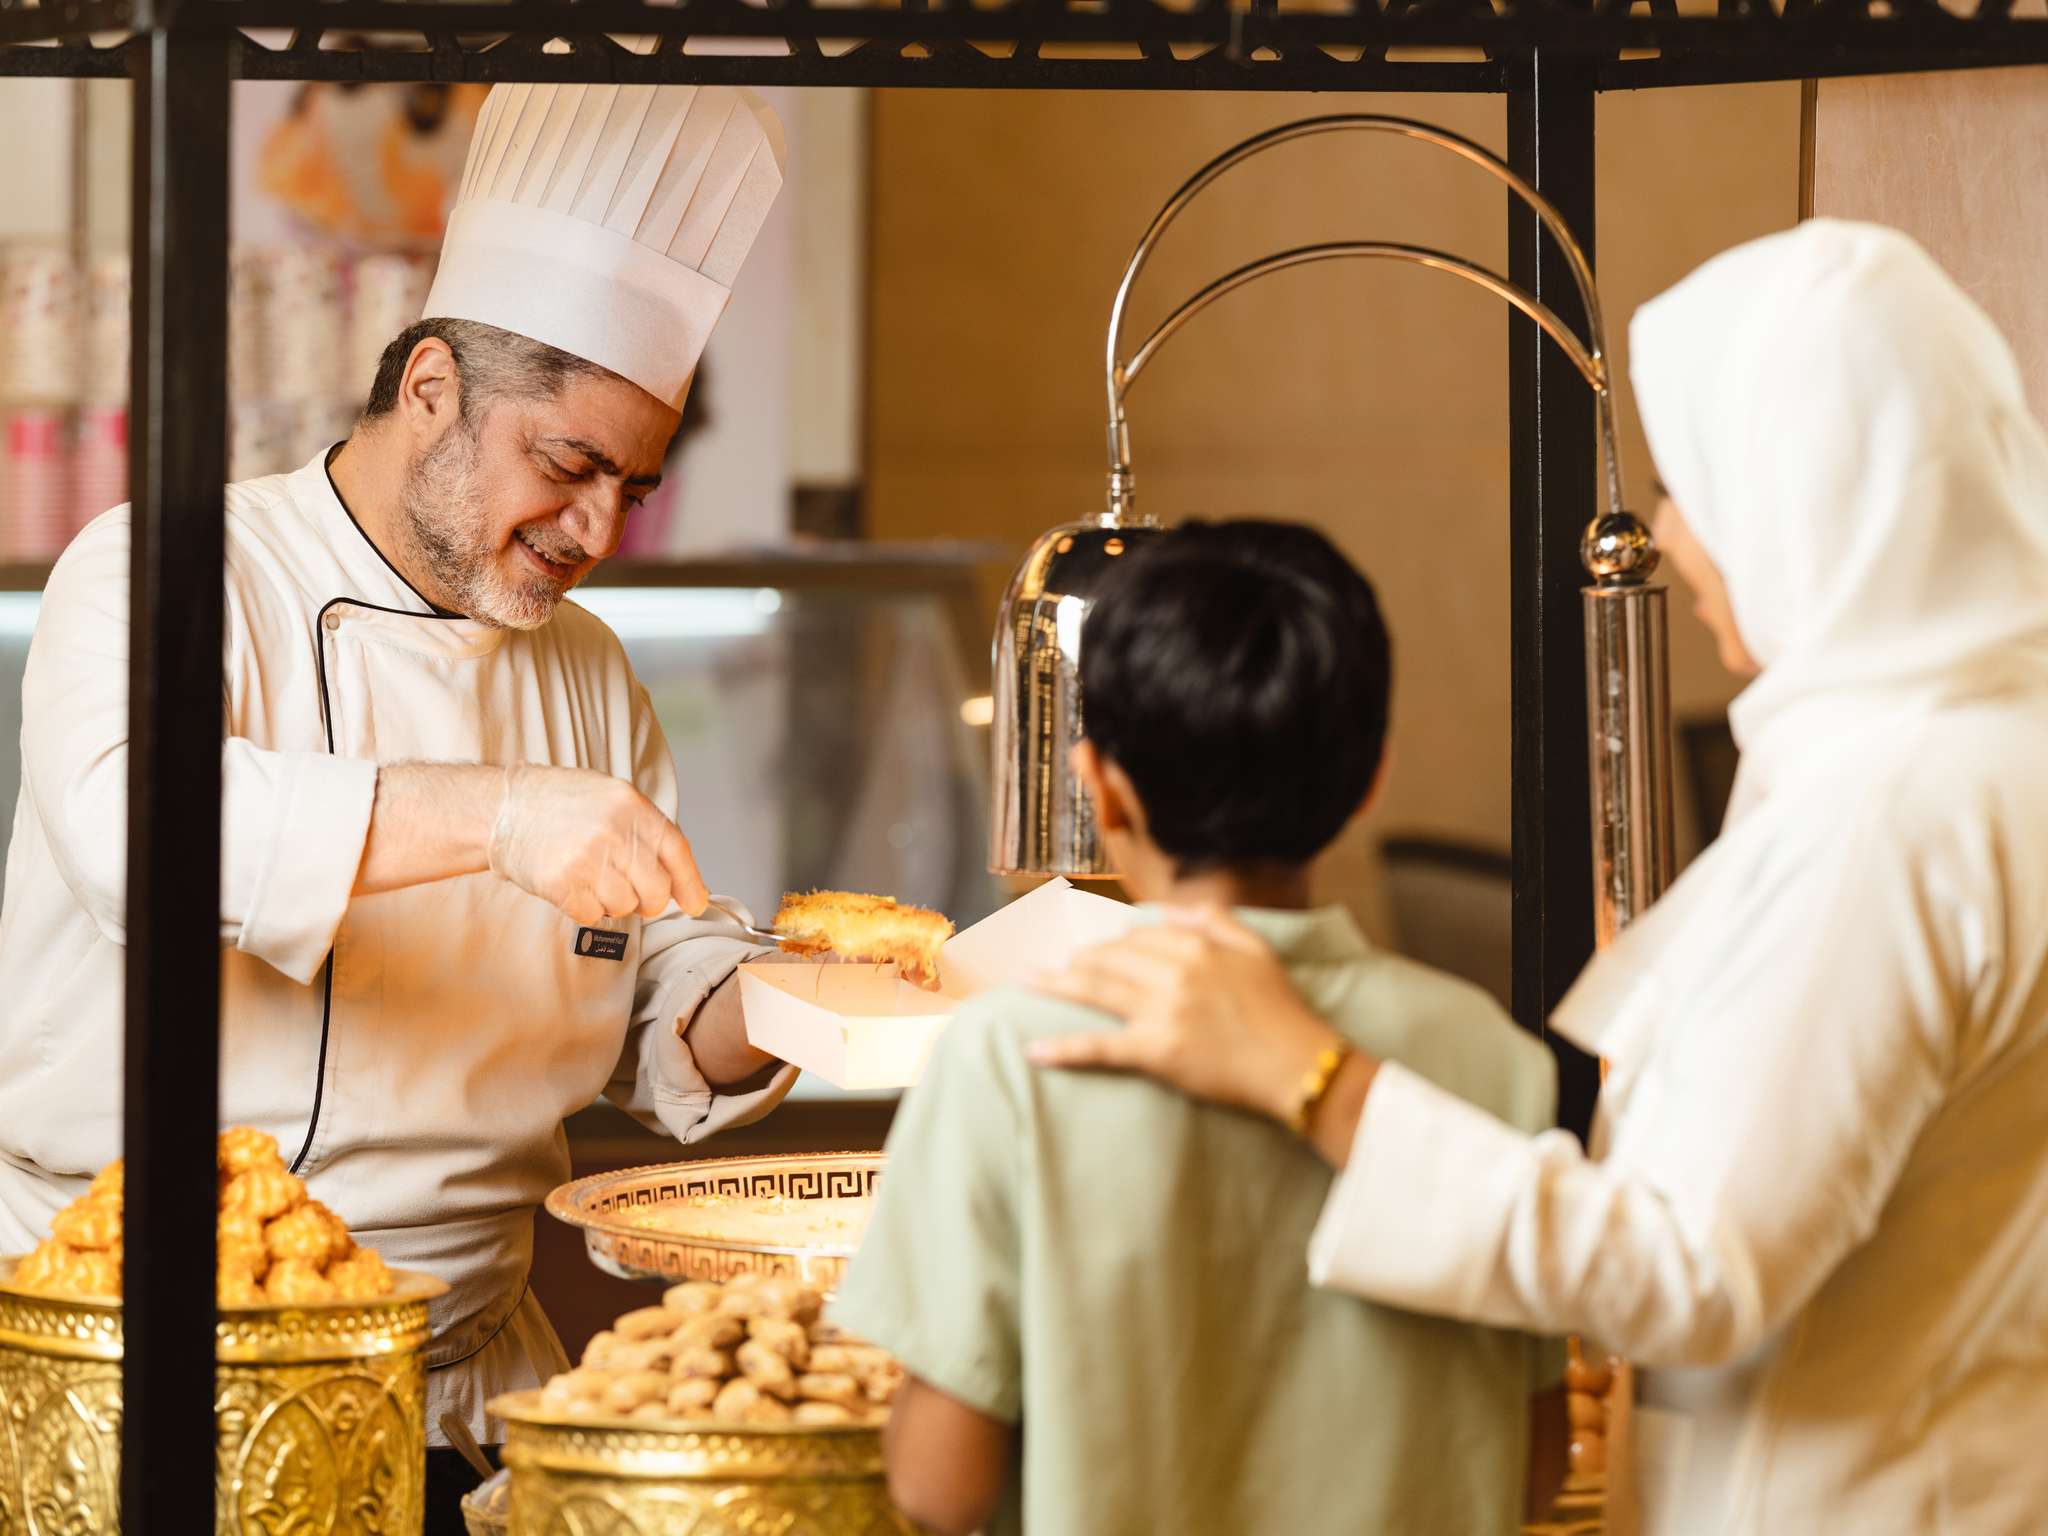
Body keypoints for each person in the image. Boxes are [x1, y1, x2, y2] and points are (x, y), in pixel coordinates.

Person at [1032, 219, 2048, 1534]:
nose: (1672, 536)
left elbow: (1696, 1265)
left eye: (1705, 486)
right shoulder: (1974, 740)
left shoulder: (1896, 814)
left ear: (1815, 501)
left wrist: (1312, 1076)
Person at [0, 82, 800, 1526]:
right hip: (144, 1382)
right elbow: (142, 834)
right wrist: (498, 816)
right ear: (430, 387)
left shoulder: (590, 670)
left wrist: (809, 1004)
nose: (598, 532)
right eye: (565, 465)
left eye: (632, 484)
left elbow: (658, 988)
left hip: (468, 1402)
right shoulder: (165, 572)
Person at [831, 521, 1561, 1535]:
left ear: (1103, 790)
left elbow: (937, 1487)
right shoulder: (1492, 1059)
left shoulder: (1010, 1054)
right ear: (1369, 779)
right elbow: (1533, 1468)